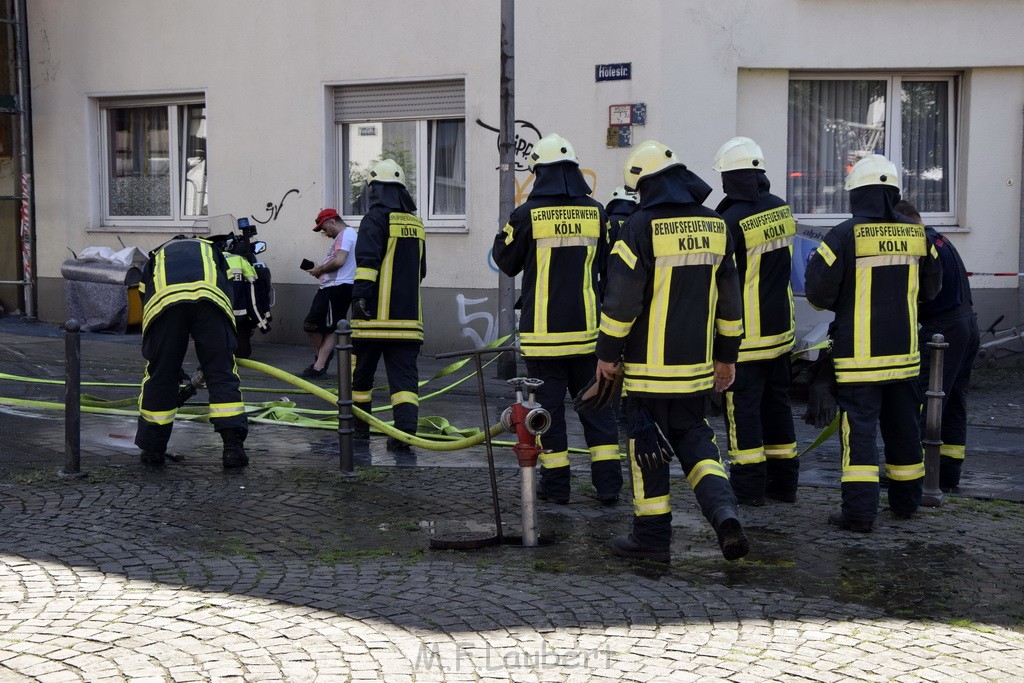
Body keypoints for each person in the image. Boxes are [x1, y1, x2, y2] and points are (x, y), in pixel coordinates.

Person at [595, 139, 748, 562]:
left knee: (648, 449)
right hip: (697, 372)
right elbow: (731, 304)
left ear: (644, 185)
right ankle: (724, 513)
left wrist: (607, 354)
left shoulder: (639, 227)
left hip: (646, 375)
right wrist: (727, 356)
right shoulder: (718, 226)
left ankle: (651, 537)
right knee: (697, 443)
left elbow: (622, 302)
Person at [804, 155, 942, 532]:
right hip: (904, 357)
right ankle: (907, 501)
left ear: (856, 194)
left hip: (858, 361)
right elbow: (931, 290)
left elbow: (817, 295)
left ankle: (859, 513)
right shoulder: (919, 236)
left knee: (860, 436)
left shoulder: (844, 235)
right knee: (903, 430)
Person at [492, 133, 623, 505]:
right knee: (599, 412)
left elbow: (505, 261)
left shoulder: (527, 214)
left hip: (543, 339)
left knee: (546, 416)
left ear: (538, 172)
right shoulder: (598, 212)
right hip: (589, 337)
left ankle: (556, 488)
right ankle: (610, 487)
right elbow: (607, 267)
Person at [712, 136, 799, 506]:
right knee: (777, 406)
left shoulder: (730, 220)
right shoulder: (781, 209)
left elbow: (722, 283)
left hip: (745, 339)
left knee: (743, 411)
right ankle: (784, 485)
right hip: (781, 332)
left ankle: (748, 490)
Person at [135, 236, 248, 468]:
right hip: (210, 303)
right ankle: (232, 449)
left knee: (160, 377)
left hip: (164, 307)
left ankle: (153, 450)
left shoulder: (156, 256)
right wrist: (220, 346)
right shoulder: (212, 251)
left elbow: (144, 296)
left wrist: (163, 357)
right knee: (221, 372)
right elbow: (227, 288)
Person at [896, 200, 980, 492]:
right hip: (967, 324)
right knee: (953, 401)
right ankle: (948, 473)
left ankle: (916, 474)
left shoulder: (921, 243)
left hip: (943, 331)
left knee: (925, 400)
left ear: (905, 220)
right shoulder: (940, 238)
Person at [350, 159, 426, 450]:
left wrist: (359, 297)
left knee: (361, 377)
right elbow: (422, 270)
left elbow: (367, 262)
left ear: (375, 190)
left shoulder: (375, 219)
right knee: (404, 383)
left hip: (372, 319)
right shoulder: (416, 223)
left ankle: (359, 431)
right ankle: (404, 434)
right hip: (407, 322)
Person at [300, 208, 357, 378]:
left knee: (314, 326)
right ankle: (321, 359)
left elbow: (339, 261)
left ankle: (320, 362)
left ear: (332, 221)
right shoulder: (344, 236)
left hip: (337, 288)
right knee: (324, 328)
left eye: (324, 229)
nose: (325, 233)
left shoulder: (346, 234)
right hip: (331, 287)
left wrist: (320, 269)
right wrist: (320, 271)